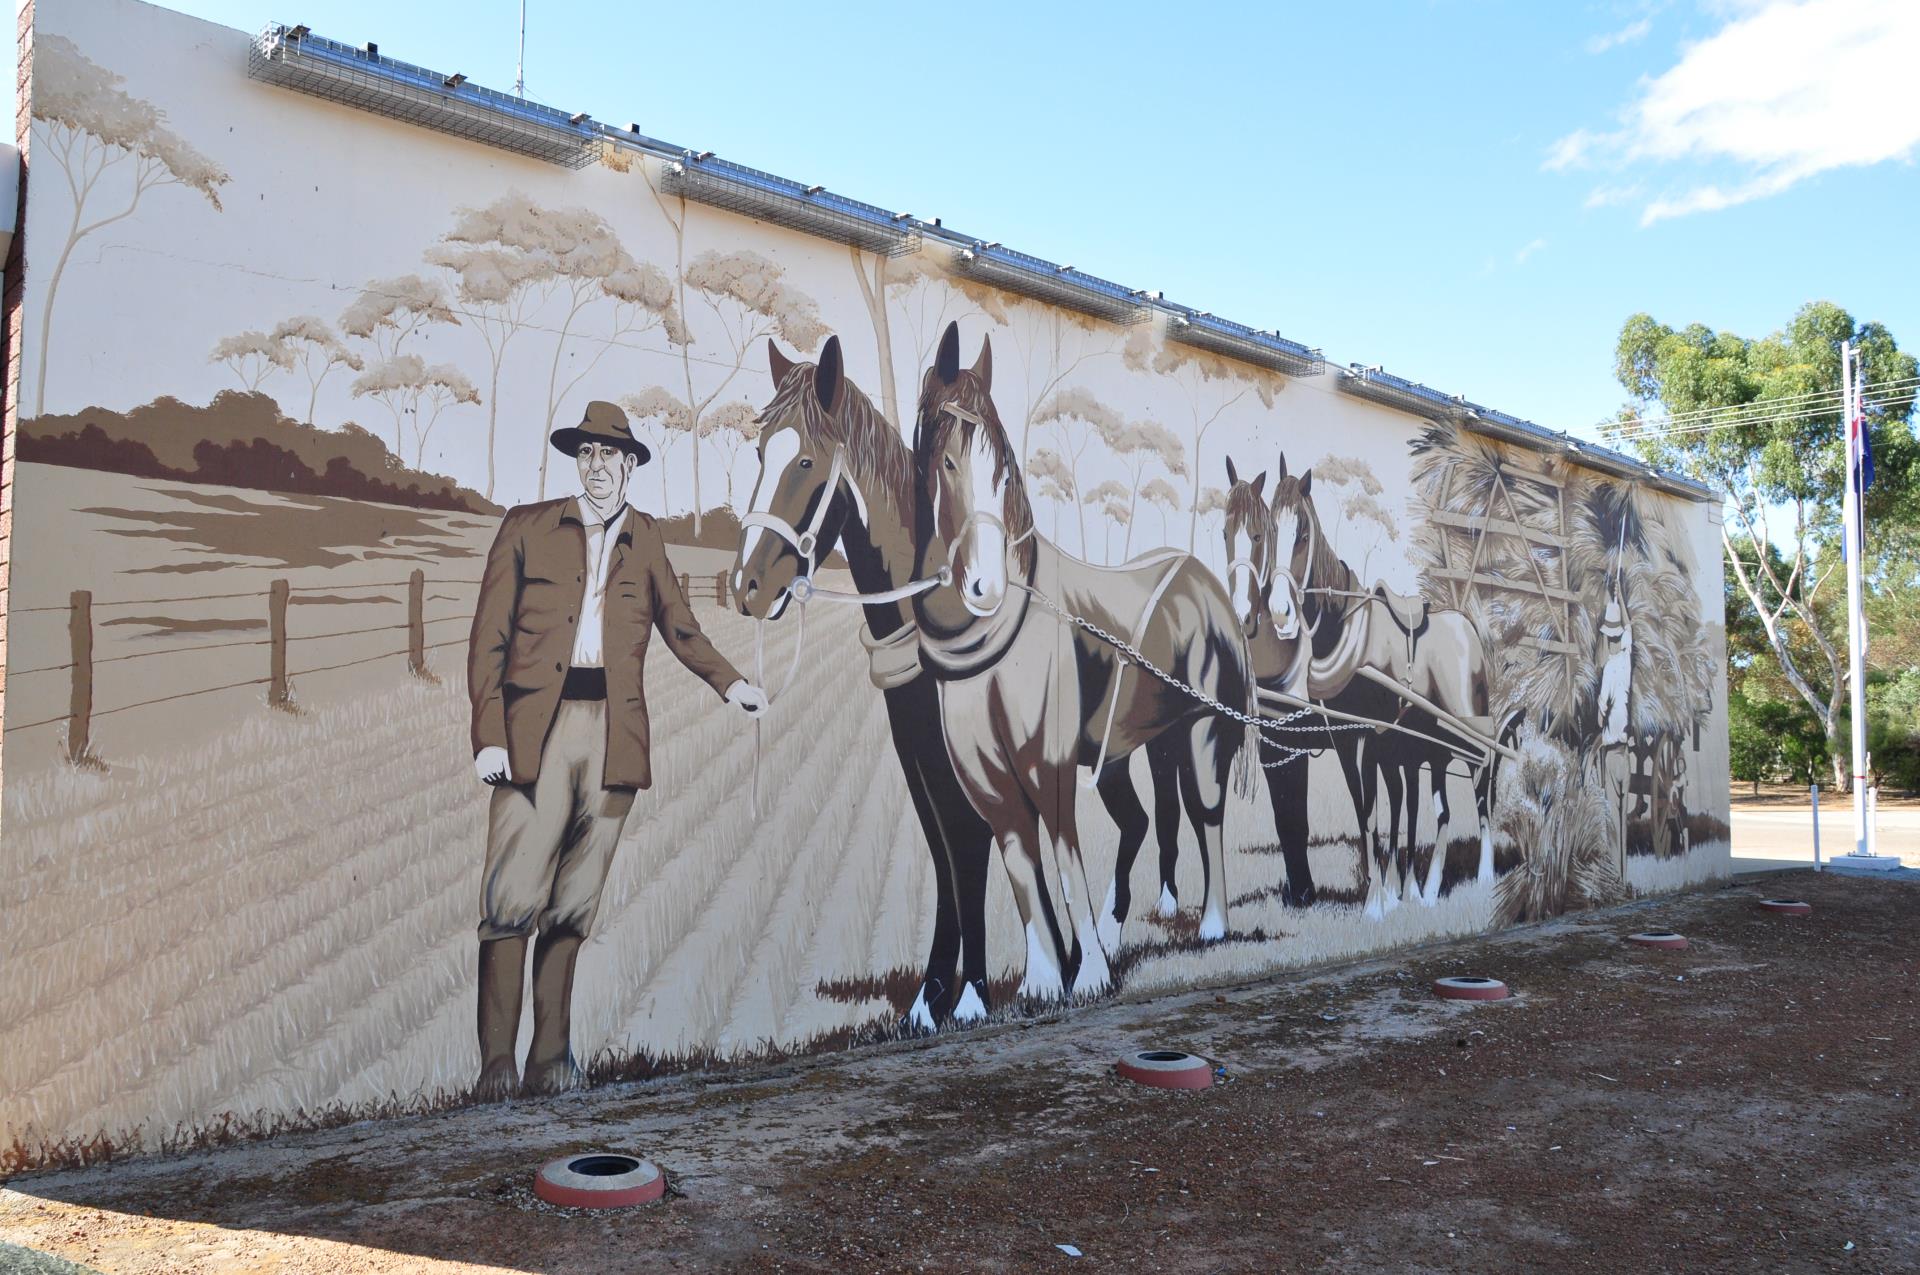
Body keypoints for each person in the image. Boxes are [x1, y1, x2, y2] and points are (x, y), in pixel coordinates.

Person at [466, 400, 766, 1098]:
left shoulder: (648, 540)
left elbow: (681, 629)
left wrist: (732, 686)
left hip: (613, 736)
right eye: (588, 454)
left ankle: (551, 1061)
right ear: (580, 463)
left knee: (573, 906)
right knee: (510, 901)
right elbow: (487, 640)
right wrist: (487, 737)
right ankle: (495, 1070)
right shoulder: (526, 528)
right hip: (532, 732)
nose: (598, 467)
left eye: (611, 455)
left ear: (630, 465)